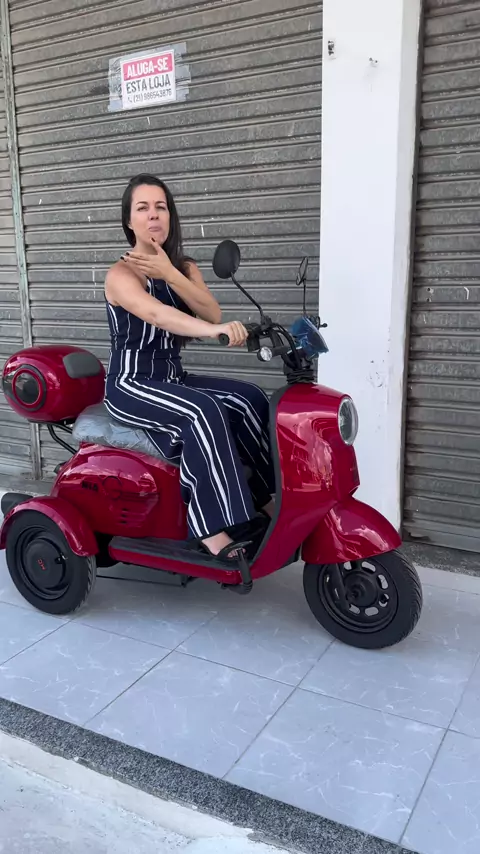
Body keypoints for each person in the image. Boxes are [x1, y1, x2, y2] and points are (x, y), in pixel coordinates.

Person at [104, 174, 275, 560]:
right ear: (129, 220)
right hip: (131, 383)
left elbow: (210, 309)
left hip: (170, 377)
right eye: (142, 208)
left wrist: (169, 273)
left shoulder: (183, 266)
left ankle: (263, 497)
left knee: (249, 398)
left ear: (170, 216)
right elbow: (157, 314)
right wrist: (215, 331)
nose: (153, 215)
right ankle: (211, 527)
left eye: (160, 207)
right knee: (202, 411)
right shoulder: (121, 275)